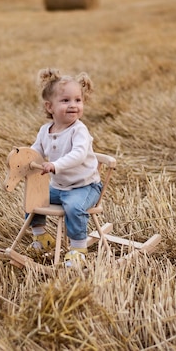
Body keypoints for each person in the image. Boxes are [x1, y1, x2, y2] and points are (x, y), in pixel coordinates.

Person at [28, 68, 102, 267]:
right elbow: (37, 149)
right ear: (49, 106)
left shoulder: (79, 130)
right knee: (33, 197)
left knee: (74, 207)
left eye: (78, 100)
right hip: (60, 187)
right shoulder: (46, 130)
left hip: (84, 187)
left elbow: (77, 155)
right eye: (65, 100)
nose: (73, 105)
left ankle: (78, 249)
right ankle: (42, 237)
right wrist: (26, 156)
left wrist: (55, 165)